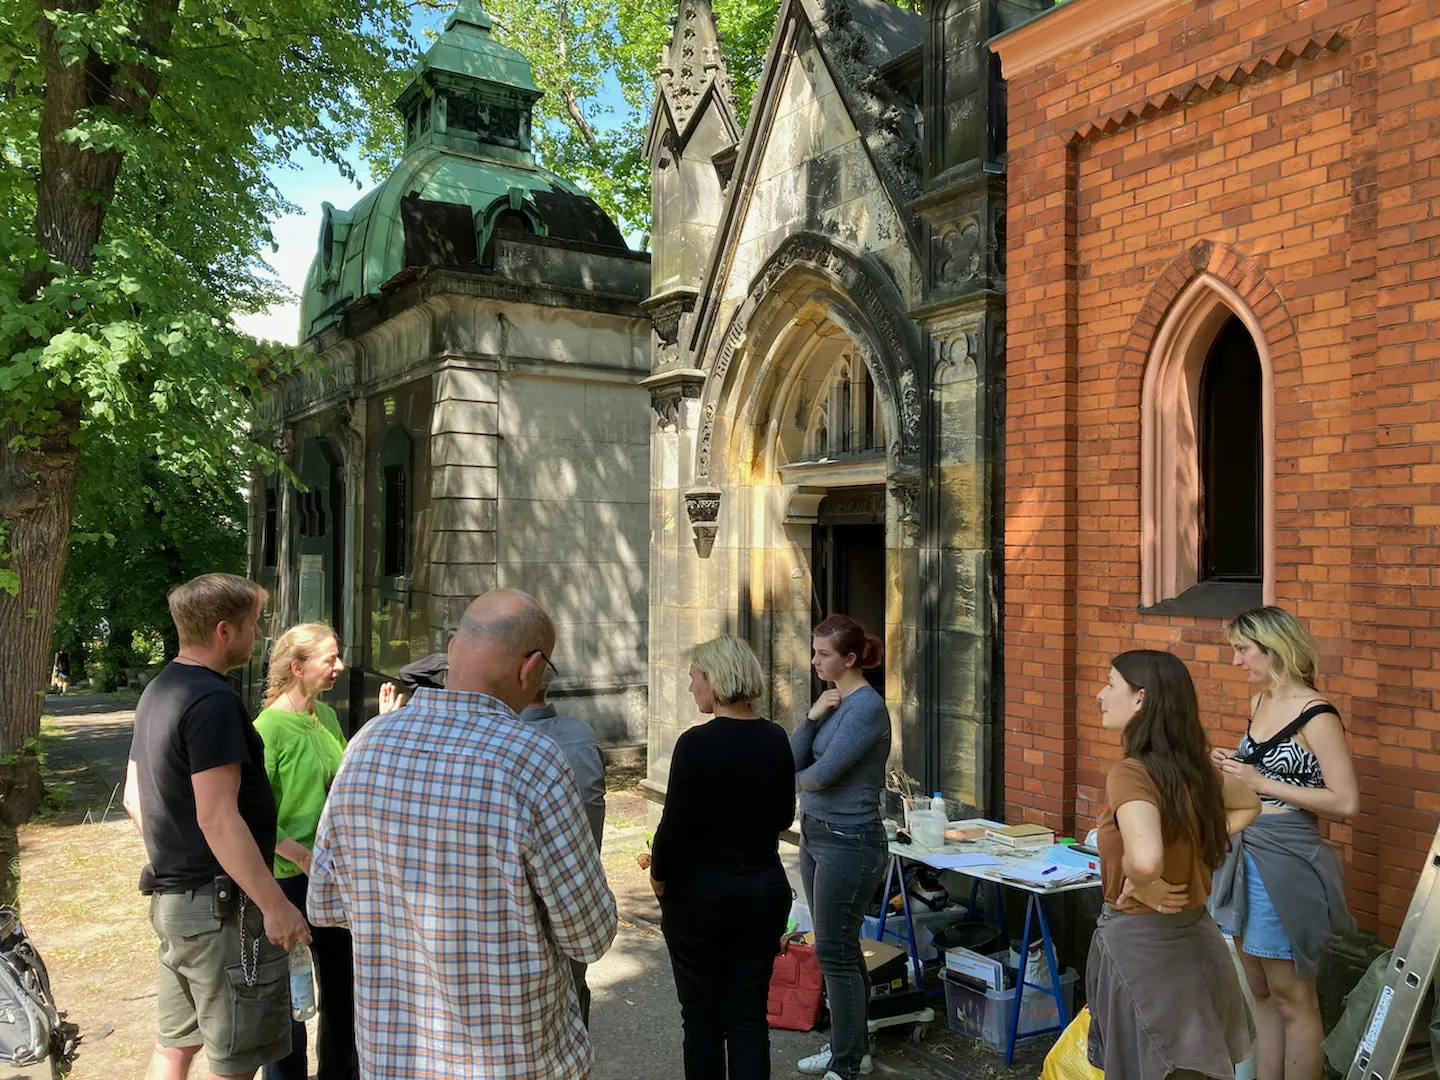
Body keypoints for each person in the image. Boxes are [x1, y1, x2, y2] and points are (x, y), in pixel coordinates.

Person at [307, 589, 617, 1080]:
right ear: (531, 668)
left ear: (452, 651)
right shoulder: (531, 761)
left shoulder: (366, 744)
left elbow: (324, 902)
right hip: (512, 1060)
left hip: (395, 1056)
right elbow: (589, 933)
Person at [122, 573, 310, 1080]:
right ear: (224, 631)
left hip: (175, 902)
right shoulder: (212, 702)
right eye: (253, 625)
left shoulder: (159, 691)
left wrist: (176, 855)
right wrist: (276, 905)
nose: (259, 636)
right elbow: (218, 815)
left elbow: (134, 797)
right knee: (234, 1059)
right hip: (223, 910)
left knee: (173, 1047)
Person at [1087, 649, 1260, 1079]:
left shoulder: (1131, 773)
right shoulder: (1194, 770)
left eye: (1111, 684)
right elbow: (1250, 804)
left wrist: (1139, 878)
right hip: (1196, 944)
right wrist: (1200, 837)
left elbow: (1145, 859)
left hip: (1146, 954)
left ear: (1141, 698)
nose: (1099, 694)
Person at [1209, 606, 1360, 1080]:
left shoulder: (1317, 714)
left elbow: (1345, 801)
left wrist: (1260, 781)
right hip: (1245, 853)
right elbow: (1263, 774)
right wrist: (1232, 765)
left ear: (1275, 649)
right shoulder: (1260, 704)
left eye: (1242, 650)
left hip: (1287, 861)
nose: (1236, 662)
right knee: (1261, 991)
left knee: (1294, 998)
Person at [649, 635, 796, 1080]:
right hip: (762, 888)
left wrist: (658, 876)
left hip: (701, 894)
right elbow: (784, 815)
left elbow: (674, 827)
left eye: (694, 677)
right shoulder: (776, 739)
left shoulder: (695, 744)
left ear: (715, 680)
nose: (692, 687)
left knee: (702, 1018)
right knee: (749, 1016)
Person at [254, 624, 392, 1080]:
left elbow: (343, 784)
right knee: (291, 997)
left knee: (344, 989)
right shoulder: (266, 729)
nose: (340, 667)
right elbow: (247, 813)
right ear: (297, 668)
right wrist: (298, 853)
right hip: (286, 881)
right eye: (330, 659)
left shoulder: (326, 718)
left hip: (333, 876)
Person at [791, 614, 890, 1080]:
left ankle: (847, 1063)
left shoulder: (867, 708)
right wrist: (812, 716)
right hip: (816, 834)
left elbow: (820, 775)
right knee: (839, 949)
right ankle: (851, 1051)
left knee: (834, 950)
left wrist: (786, 784)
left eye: (823, 654)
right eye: (814, 652)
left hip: (851, 841)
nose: (815, 660)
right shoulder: (833, 701)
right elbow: (794, 757)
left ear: (850, 659)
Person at [519, 660, 606, 1027]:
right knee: (572, 1000)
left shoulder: (503, 744)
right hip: (577, 900)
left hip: (519, 916)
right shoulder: (580, 734)